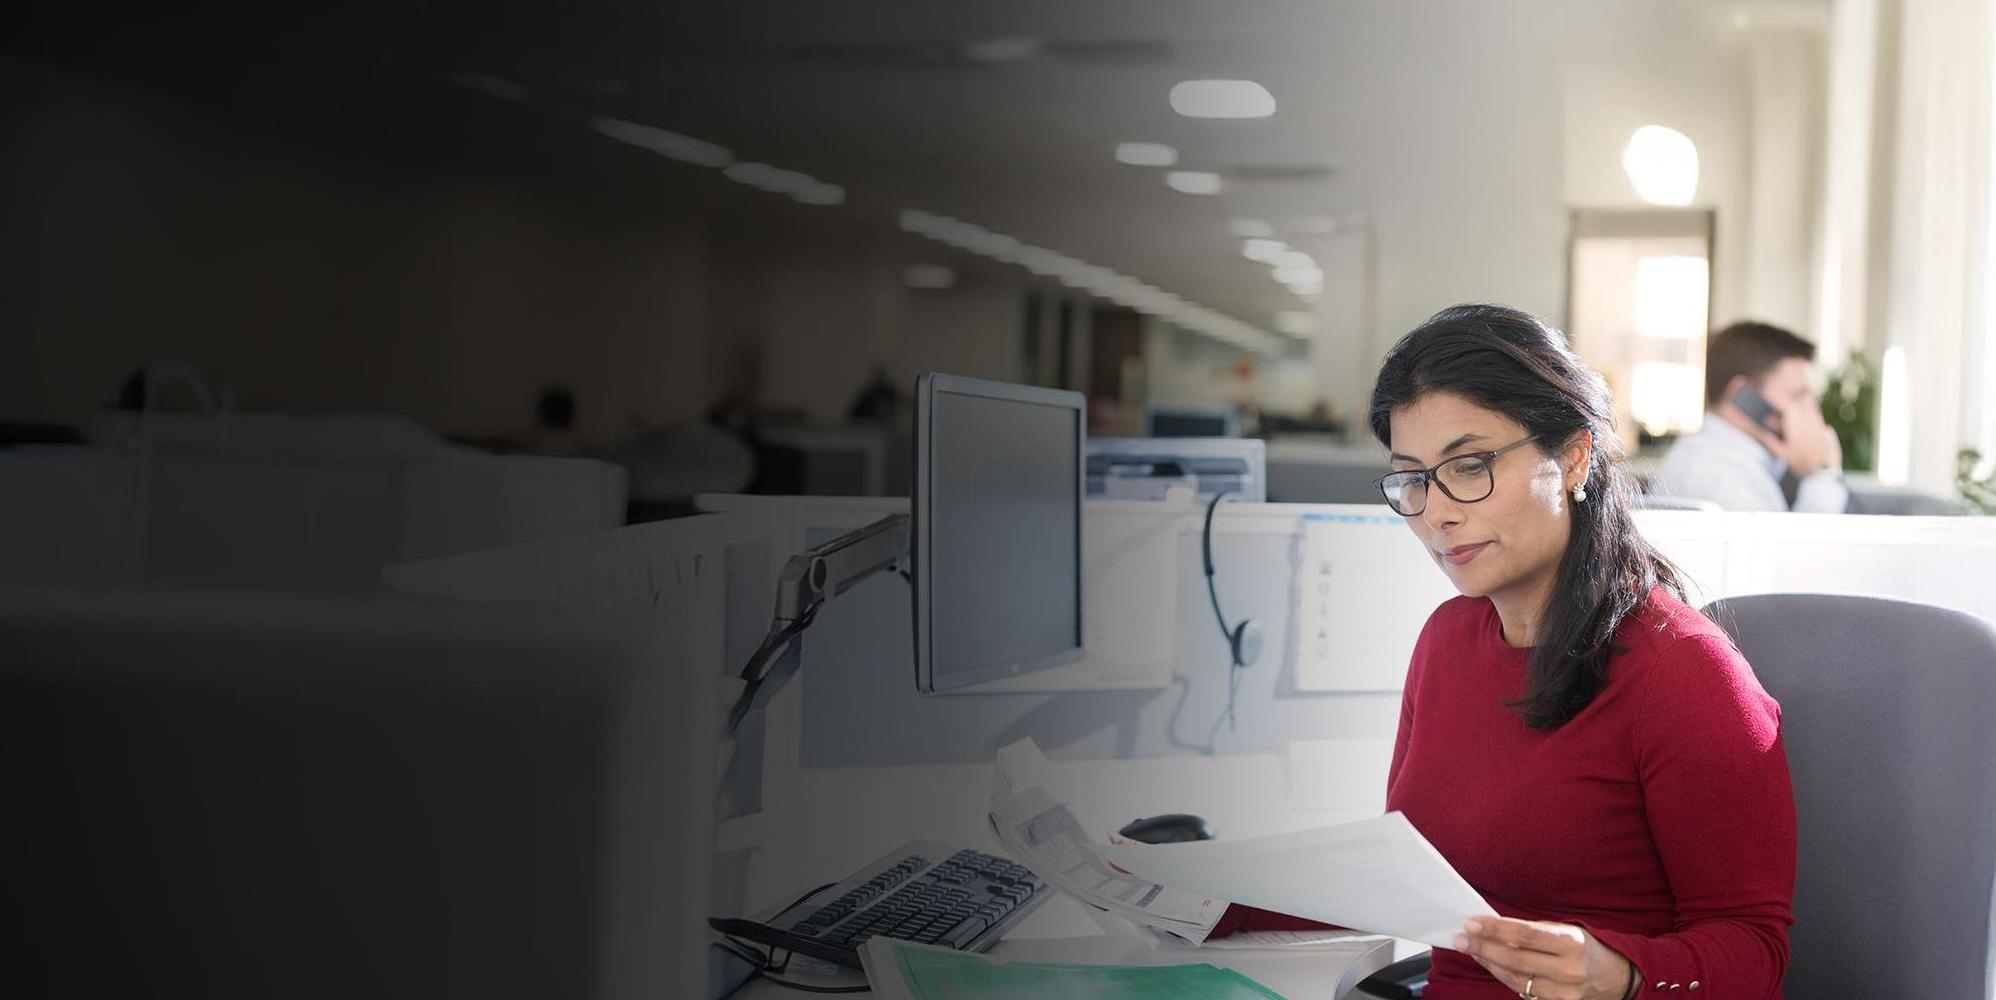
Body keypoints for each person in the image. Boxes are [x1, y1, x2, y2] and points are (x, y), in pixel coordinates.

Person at [1211, 305, 1796, 999]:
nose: (1436, 512)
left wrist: (1625, 974)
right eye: (1412, 478)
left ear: (1574, 455)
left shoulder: (1686, 674)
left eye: (1469, 466)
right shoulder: (1447, 641)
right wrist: (1200, 896)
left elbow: (1753, 949)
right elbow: (1405, 881)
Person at [1653, 322, 1846, 512]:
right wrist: (1821, 474)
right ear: (1743, 394)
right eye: (1796, 396)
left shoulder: (1726, 457)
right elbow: (1797, 545)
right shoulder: (1723, 476)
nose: (1811, 409)